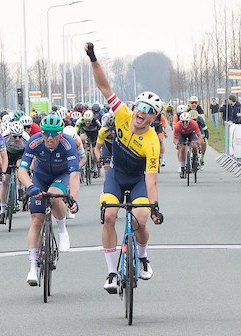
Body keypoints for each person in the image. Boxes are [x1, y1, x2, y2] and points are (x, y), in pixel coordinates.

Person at [84, 42, 163, 293]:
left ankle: (142, 256)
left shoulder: (152, 142)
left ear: (153, 118)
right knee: (109, 216)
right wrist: (94, 59)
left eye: (150, 111)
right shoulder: (122, 115)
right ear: (135, 107)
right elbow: (104, 86)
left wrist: (154, 206)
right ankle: (110, 272)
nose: (143, 112)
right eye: (141, 107)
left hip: (138, 180)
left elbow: (151, 179)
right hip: (116, 176)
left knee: (139, 221)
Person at [17, 114, 80, 286]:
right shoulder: (34, 142)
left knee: (53, 197)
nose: (49, 137)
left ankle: (62, 229)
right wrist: (30, 186)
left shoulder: (68, 144)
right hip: (40, 176)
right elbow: (22, 170)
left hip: (61, 175)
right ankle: (32, 266)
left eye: (54, 134)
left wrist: (72, 199)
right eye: (46, 133)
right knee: (36, 220)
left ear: (61, 134)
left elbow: (74, 174)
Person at [0, 121, 30, 224]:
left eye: (19, 136)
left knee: (20, 167)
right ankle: (2, 210)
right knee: (5, 181)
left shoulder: (26, 138)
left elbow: (31, 154)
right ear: (10, 134)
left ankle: (20, 189)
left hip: (21, 154)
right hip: (7, 154)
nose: (17, 139)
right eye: (14, 136)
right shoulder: (3, 137)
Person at [173, 111, 204, 179]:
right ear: (181, 121)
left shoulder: (193, 123)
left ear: (189, 121)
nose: (185, 123)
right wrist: (177, 144)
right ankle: (182, 167)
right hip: (182, 135)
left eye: (186, 121)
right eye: (183, 121)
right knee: (181, 149)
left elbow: (199, 135)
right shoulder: (177, 126)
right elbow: (175, 138)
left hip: (191, 134)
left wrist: (198, 143)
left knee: (194, 145)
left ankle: (195, 158)